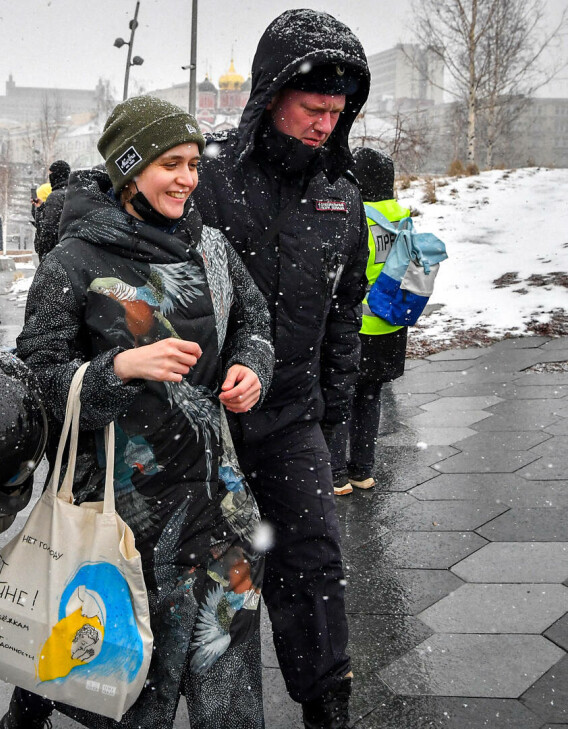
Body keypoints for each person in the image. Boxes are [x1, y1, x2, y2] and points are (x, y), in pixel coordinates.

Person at [0, 95, 274, 729]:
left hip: (216, 509)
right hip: (120, 525)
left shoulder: (212, 250)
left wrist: (251, 369)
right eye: (170, 163)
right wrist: (116, 369)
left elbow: (256, 322)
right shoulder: (73, 261)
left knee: (229, 700)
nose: (187, 179)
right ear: (129, 170)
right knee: (128, 701)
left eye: (194, 164)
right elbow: (36, 383)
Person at [192, 9, 371, 728]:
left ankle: (329, 709)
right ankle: (48, 696)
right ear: (270, 94)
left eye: (337, 112)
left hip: (293, 417)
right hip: (207, 420)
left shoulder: (342, 198)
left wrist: (330, 412)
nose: (325, 124)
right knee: (201, 584)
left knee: (315, 571)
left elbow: (346, 312)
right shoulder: (206, 180)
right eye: (313, 107)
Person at [327, 148, 409, 496]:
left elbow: (344, 271)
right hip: (391, 323)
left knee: (341, 397)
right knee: (371, 396)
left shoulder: (358, 216)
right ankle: (363, 470)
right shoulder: (401, 217)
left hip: (357, 323)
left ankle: (337, 474)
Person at [32, 159, 70, 260]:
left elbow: (49, 229)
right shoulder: (72, 193)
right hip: (68, 250)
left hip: (54, 254)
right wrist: (42, 207)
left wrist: (44, 254)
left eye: (51, 174)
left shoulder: (55, 197)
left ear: (57, 175)